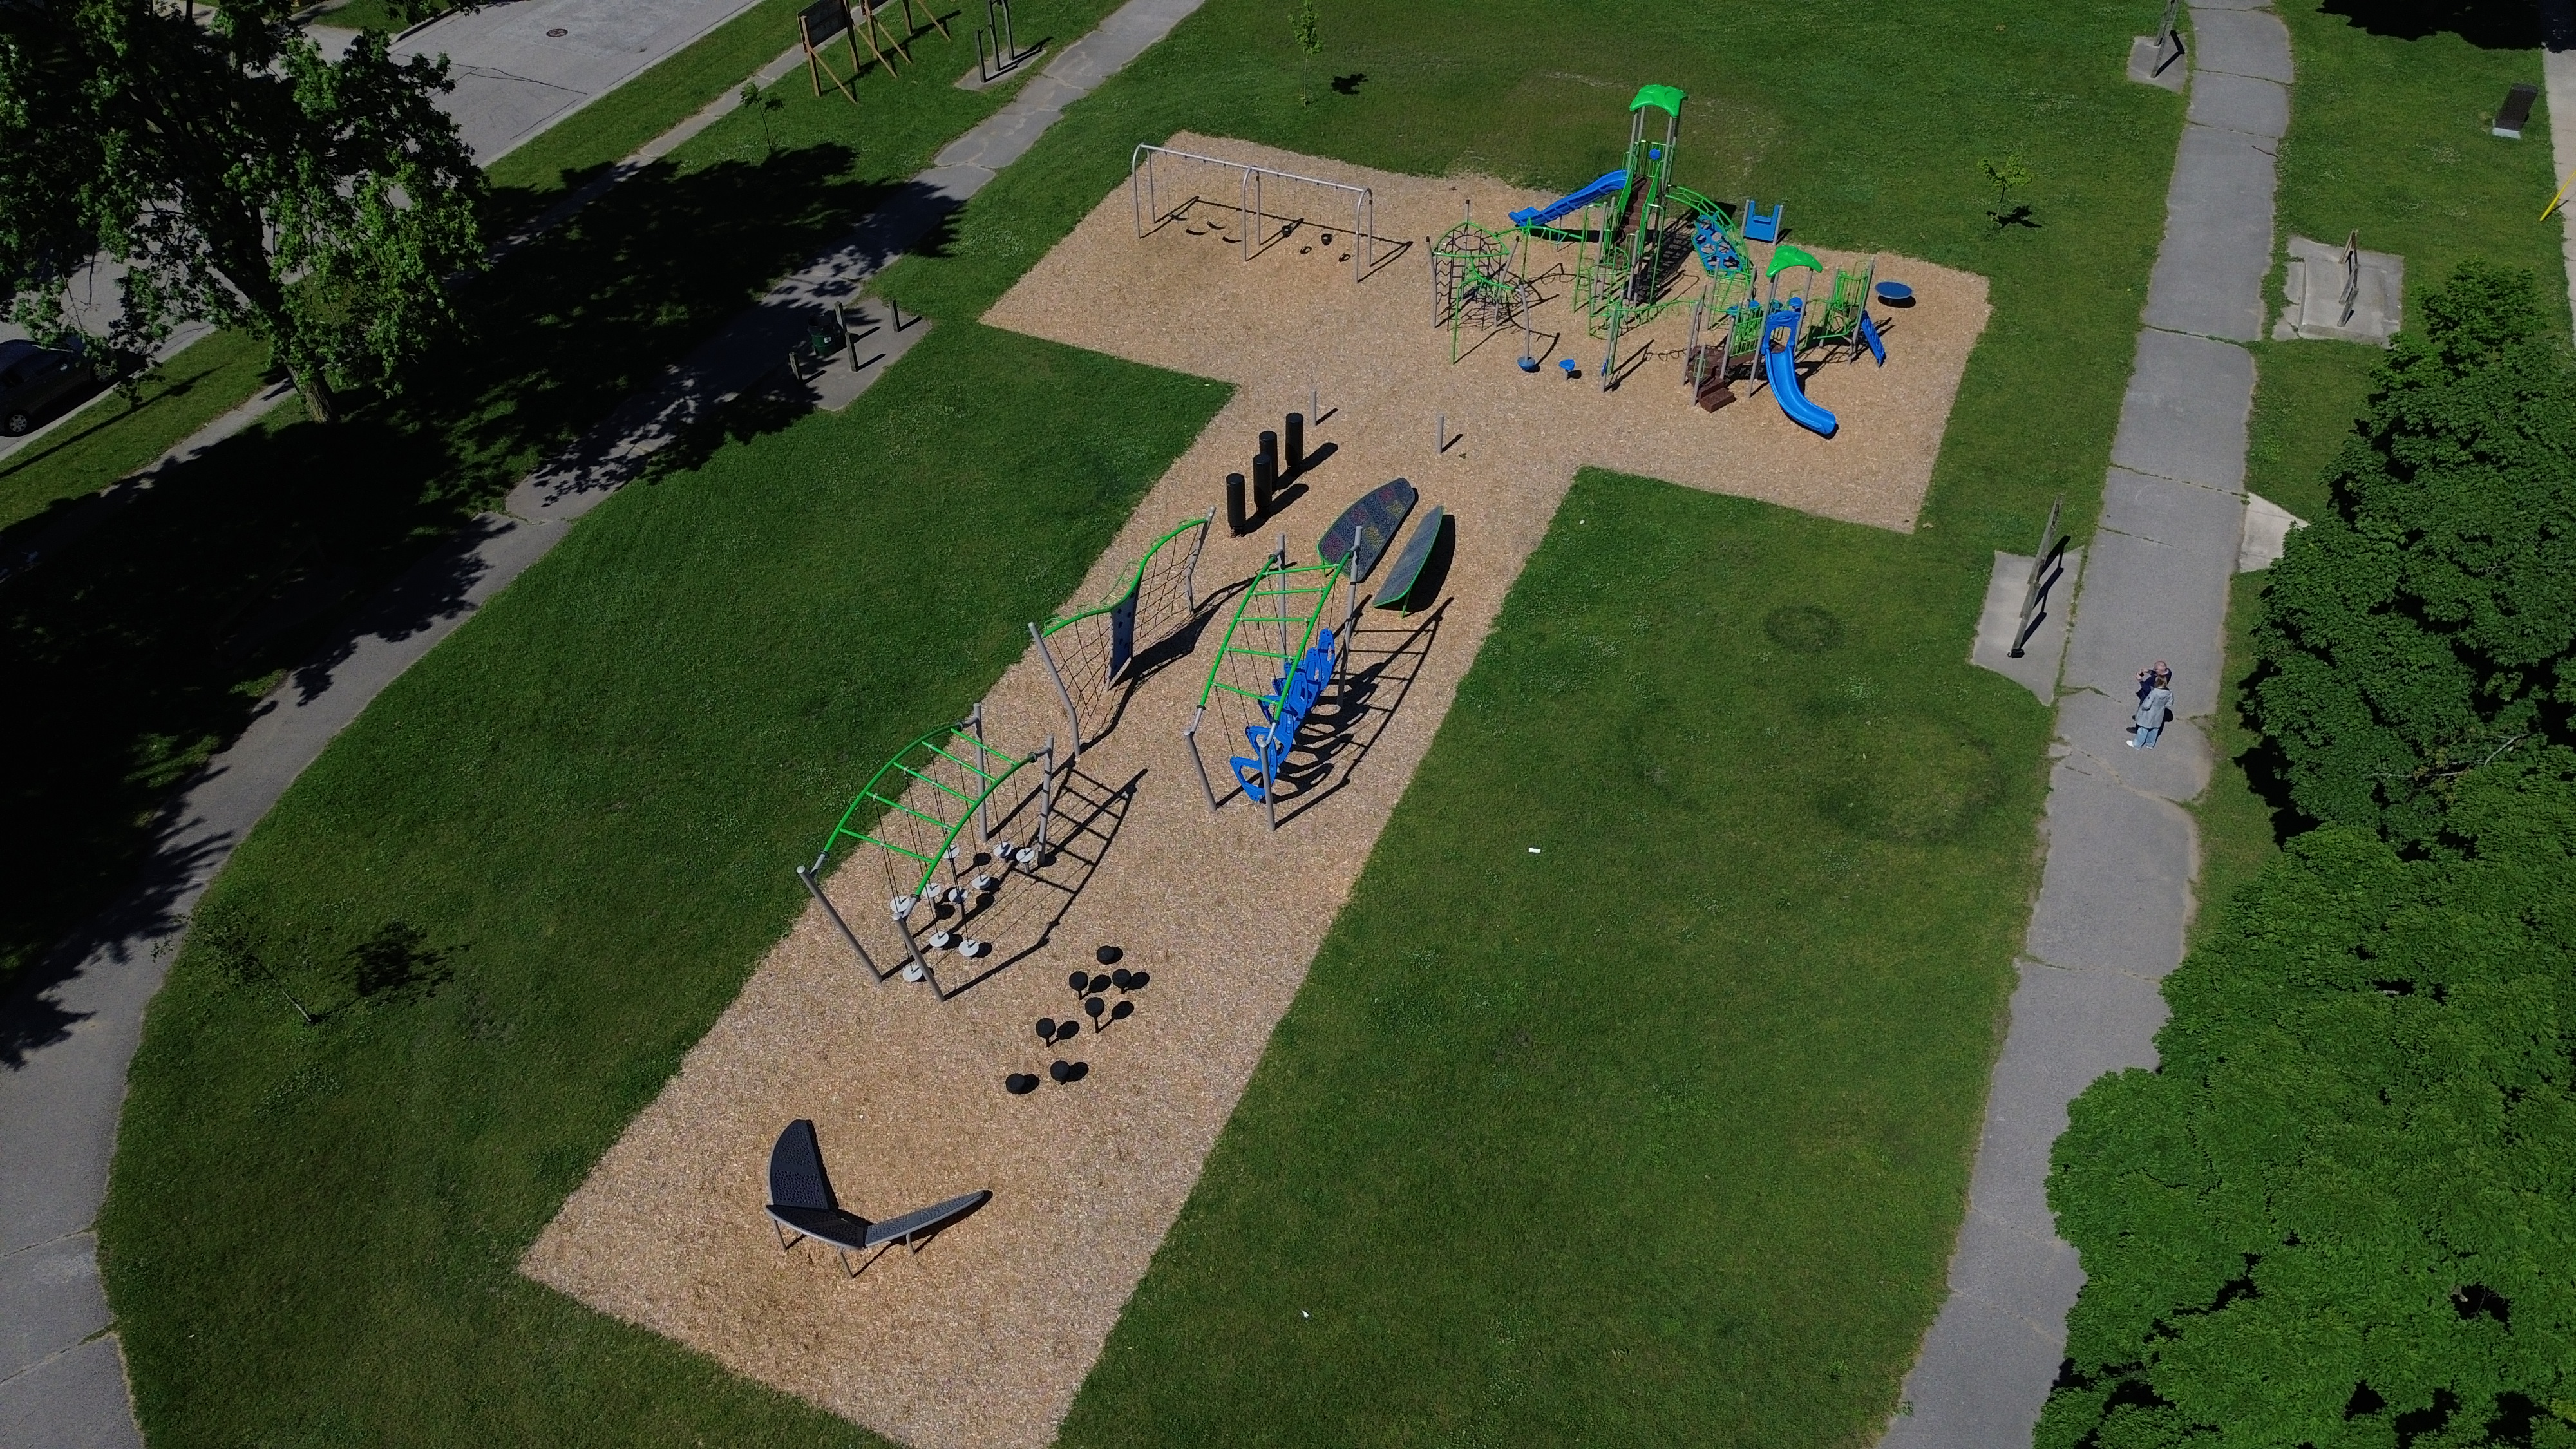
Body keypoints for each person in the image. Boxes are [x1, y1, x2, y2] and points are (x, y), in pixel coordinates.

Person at [2132, 676, 2174, 748]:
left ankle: (2137, 745)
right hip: (2159, 713)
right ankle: (2150, 744)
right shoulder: (2169, 693)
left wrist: (2142, 707)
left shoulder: (2154, 693)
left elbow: (2147, 705)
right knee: (2154, 729)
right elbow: (2170, 703)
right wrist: (2161, 707)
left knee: (2143, 729)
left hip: (2149, 714)